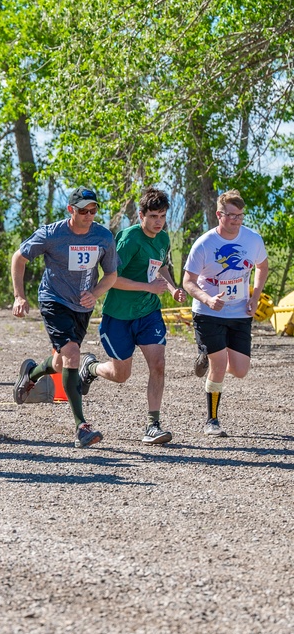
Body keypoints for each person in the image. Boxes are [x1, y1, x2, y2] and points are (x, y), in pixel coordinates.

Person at [76, 187, 186, 445]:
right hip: (119, 316)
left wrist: (171, 288)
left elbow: (162, 267)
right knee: (121, 374)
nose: (158, 222)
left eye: (162, 216)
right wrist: (149, 287)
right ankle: (91, 367)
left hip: (148, 313)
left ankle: (153, 425)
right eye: (153, 216)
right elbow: (112, 280)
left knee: (158, 364)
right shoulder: (128, 239)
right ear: (141, 215)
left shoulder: (163, 239)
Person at [11, 186, 118, 448]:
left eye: (94, 210)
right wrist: (19, 295)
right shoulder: (52, 234)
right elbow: (19, 258)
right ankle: (81, 426)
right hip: (53, 299)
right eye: (83, 210)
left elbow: (111, 275)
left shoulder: (103, 237)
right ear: (71, 210)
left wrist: (96, 293)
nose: (89, 215)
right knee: (72, 354)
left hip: (82, 306)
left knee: (60, 364)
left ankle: (32, 373)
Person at [182, 189, 268, 437]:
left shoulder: (253, 240)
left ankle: (206, 356)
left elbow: (262, 266)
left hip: (240, 311)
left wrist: (255, 295)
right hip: (209, 312)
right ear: (219, 214)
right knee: (219, 364)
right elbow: (188, 281)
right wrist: (208, 299)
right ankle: (212, 421)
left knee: (240, 370)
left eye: (240, 216)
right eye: (231, 215)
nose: (236, 220)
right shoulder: (205, 244)